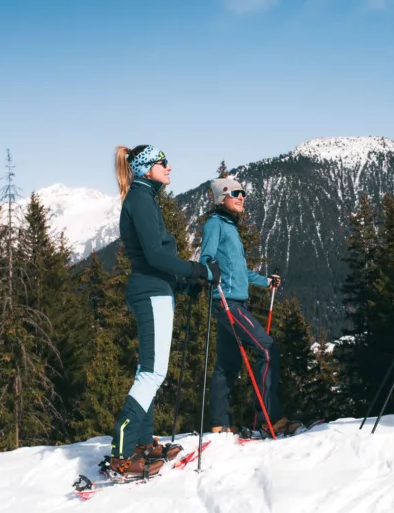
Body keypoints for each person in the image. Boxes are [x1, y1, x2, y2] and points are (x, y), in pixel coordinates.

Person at [107, 144, 220, 477]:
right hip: (150, 292)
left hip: (156, 289)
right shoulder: (141, 199)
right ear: (145, 168)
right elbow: (155, 256)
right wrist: (198, 271)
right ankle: (122, 453)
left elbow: (150, 257)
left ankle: (143, 442)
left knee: (150, 370)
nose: (169, 167)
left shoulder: (144, 197)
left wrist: (182, 283)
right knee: (152, 373)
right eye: (162, 162)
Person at [199, 177, 301, 437]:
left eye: (243, 192)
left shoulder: (231, 226)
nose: (242, 196)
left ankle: (220, 423)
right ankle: (270, 418)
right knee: (267, 349)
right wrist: (211, 273)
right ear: (222, 198)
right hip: (227, 303)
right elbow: (207, 258)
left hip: (233, 301)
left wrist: (266, 282)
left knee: (227, 365)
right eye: (235, 193)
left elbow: (239, 270)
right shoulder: (216, 224)